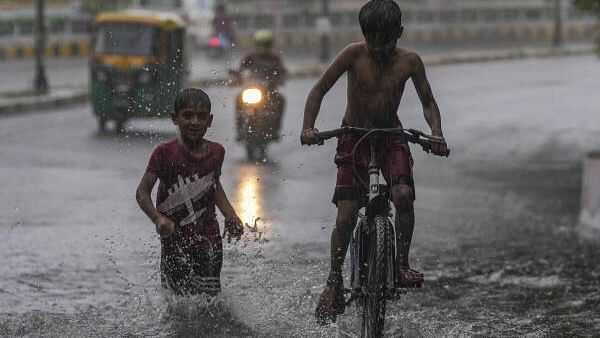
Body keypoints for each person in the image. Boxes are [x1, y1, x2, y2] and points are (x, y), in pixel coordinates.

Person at [300, 0, 448, 323]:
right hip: (353, 137)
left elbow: (428, 102)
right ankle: (335, 281)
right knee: (346, 214)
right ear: (364, 35)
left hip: (390, 136)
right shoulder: (353, 54)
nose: (380, 49)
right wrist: (308, 126)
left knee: (403, 196)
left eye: (387, 41)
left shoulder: (410, 62)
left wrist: (436, 132)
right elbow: (318, 90)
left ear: (399, 33)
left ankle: (402, 263)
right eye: (373, 41)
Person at [136, 87, 244, 296]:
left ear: (210, 120)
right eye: (188, 116)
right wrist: (158, 219)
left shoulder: (216, 152)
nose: (194, 122)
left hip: (209, 237)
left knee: (210, 298)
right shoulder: (164, 153)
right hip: (174, 239)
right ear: (175, 118)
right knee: (177, 300)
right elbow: (142, 193)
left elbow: (213, 185)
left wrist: (230, 215)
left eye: (201, 117)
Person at [236, 29, 287, 140]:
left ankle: (275, 129)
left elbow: (282, 73)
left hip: (269, 91)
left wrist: (279, 79)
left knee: (281, 100)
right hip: (251, 89)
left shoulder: (275, 59)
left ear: (270, 44)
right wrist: (237, 77)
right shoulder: (249, 57)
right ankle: (239, 128)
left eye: (265, 44)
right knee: (237, 99)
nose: (262, 46)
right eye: (260, 43)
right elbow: (241, 71)